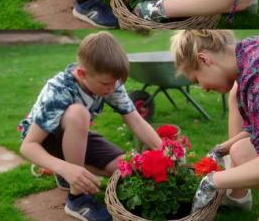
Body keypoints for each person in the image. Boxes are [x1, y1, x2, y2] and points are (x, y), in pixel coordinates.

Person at [18, 32, 162, 221]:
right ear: (81, 74)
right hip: (44, 141)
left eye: (115, 83)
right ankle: (77, 198)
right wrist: (65, 168)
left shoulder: (108, 81)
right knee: (79, 113)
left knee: (124, 167)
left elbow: (135, 119)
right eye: (106, 84)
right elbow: (28, 147)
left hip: (74, 135)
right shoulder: (60, 90)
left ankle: (68, 175)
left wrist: (165, 151)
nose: (112, 88)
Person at [170, 30, 259, 220]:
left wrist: (211, 181)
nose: (203, 87)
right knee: (240, 151)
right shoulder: (247, 52)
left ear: (204, 60)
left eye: (196, 79)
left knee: (245, 154)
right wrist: (221, 149)